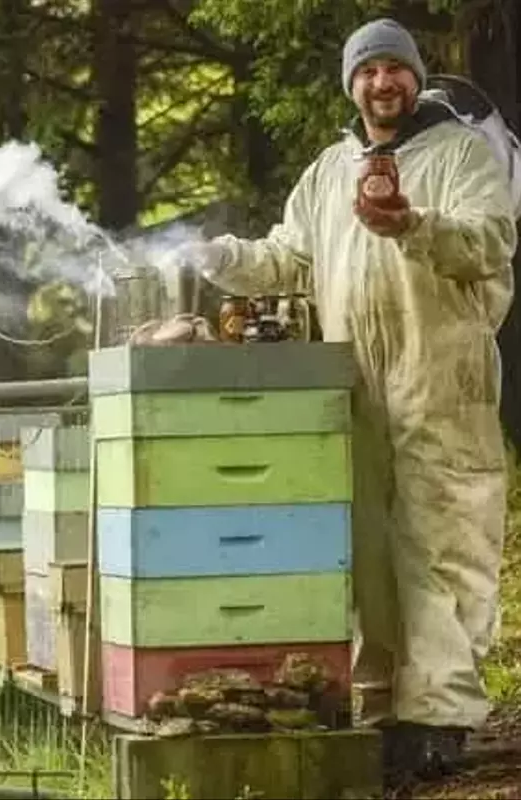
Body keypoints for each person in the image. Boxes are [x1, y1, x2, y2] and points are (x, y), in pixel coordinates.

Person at [171, 17, 517, 786]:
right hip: (358, 386)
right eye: (367, 72)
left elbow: (491, 242)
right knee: (369, 553)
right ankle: (383, 706)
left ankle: (441, 716)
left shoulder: (459, 153)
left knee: (444, 545)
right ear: (351, 86)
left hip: (441, 380)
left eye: (394, 69)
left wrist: (413, 224)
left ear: (415, 78)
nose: (381, 83)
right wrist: (217, 256)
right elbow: (287, 257)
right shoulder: (331, 171)